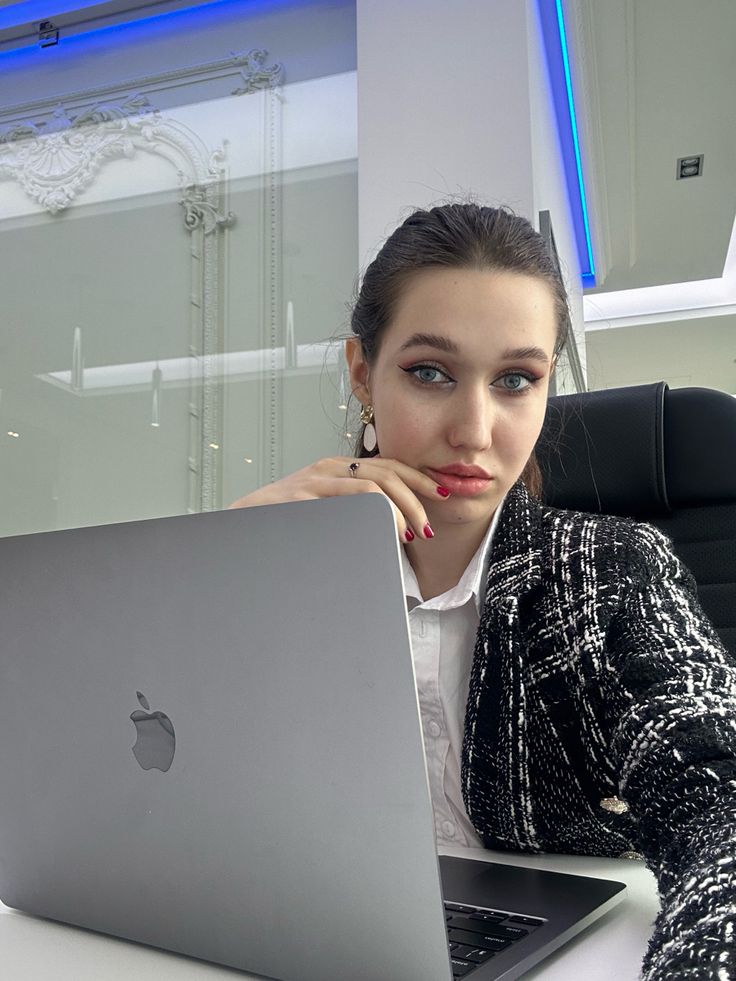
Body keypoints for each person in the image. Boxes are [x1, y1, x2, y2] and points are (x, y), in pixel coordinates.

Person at [229, 203, 736, 979]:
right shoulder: (286, 570)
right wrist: (219, 566)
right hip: (304, 931)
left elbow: (720, 804)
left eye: (515, 380)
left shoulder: (608, 572)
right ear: (361, 371)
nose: (474, 428)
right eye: (429, 371)